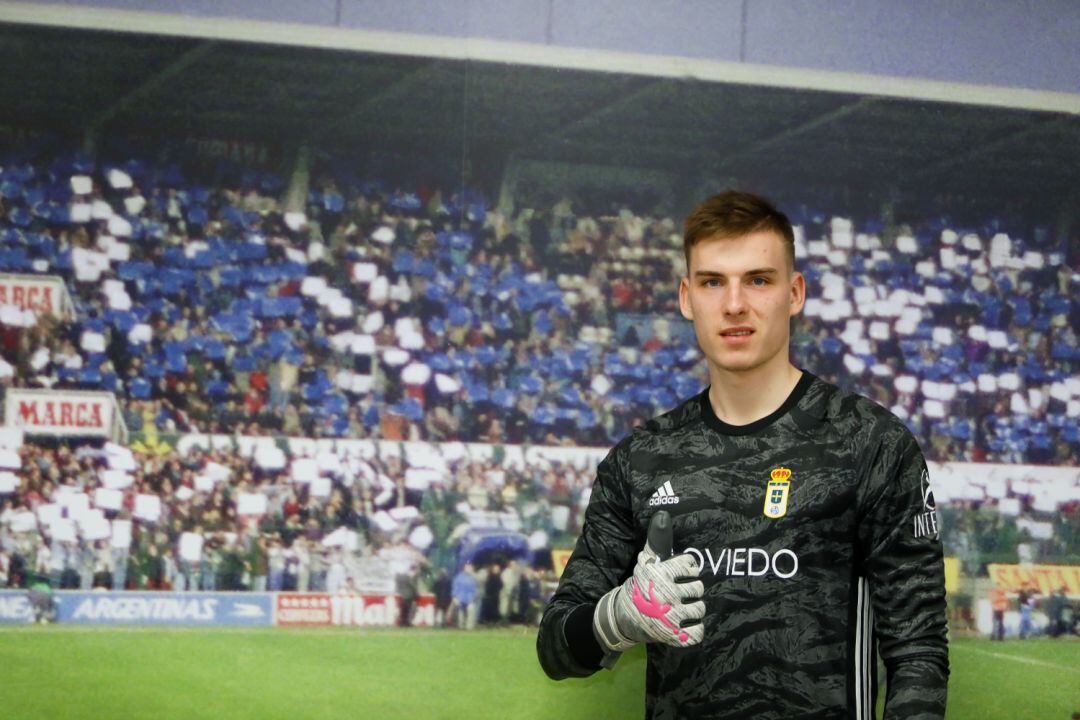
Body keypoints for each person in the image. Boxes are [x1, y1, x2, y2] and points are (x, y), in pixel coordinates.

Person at [536, 191, 949, 719]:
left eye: (758, 279)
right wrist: (615, 619)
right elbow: (555, 646)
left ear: (794, 292)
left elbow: (918, 651)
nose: (734, 304)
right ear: (687, 298)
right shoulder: (640, 459)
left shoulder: (871, 443)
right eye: (712, 282)